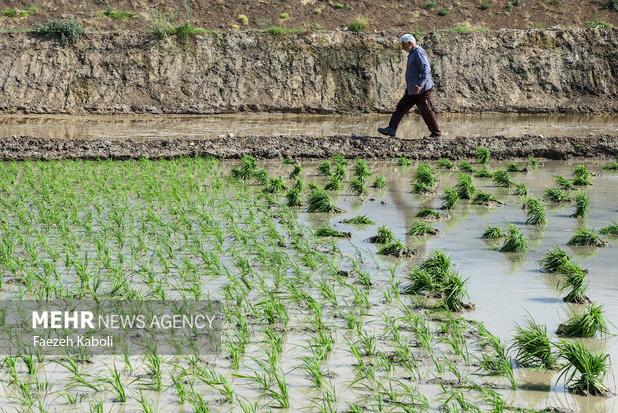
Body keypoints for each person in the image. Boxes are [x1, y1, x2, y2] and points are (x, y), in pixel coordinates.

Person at [378, 34, 441, 138]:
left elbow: (426, 70)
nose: (402, 48)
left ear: (410, 43)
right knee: (401, 107)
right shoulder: (412, 52)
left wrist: (419, 84)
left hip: (422, 90)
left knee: (426, 111)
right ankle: (391, 129)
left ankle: (436, 133)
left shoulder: (418, 53)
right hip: (412, 90)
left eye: (404, 45)